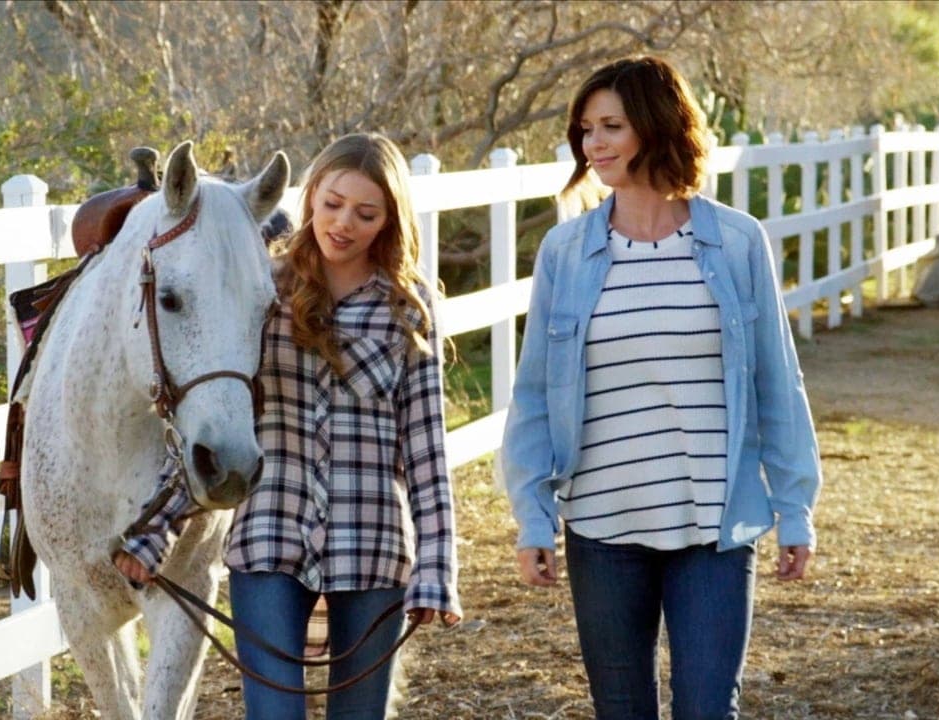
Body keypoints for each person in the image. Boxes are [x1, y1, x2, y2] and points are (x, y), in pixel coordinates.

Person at [500, 56, 822, 720]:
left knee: (707, 708)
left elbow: (778, 382)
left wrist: (795, 508)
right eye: (586, 129)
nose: (593, 144)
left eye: (611, 126)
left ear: (657, 125)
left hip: (713, 528)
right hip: (602, 527)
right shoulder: (565, 252)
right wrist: (533, 516)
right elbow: (532, 396)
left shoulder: (737, 242)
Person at [115, 132, 462, 720]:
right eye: (332, 204)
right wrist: (155, 530)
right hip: (270, 535)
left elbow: (427, 451)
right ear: (311, 197)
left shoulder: (409, 307)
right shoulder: (263, 291)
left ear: (389, 220)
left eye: (366, 213)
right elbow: (219, 417)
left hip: (373, 546)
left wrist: (437, 566)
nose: (343, 224)